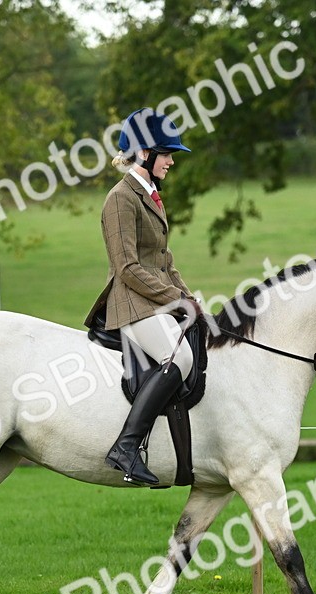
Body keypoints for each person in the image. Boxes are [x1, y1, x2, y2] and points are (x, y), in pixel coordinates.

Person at [84, 108, 201, 485]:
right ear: (145, 154)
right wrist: (175, 300)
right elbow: (128, 269)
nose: (171, 161)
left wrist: (189, 297)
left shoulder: (149, 194)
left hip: (153, 299)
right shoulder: (121, 198)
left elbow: (164, 260)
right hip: (131, 303)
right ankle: (127, 446)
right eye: (167, 154)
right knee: (178, 356)